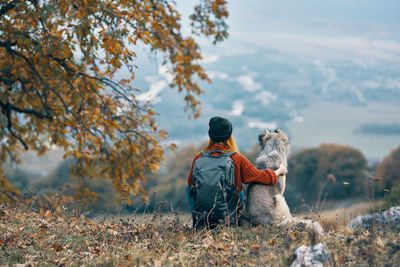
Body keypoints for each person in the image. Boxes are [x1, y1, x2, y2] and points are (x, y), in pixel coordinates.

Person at [187, 116, 287, 229]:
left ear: (210, 135)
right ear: (229, 136)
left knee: (189, 188)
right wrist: (279, 171)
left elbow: (190, 182)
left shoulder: (198, 158)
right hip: (227, 218)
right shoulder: (237, 159)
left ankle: (197, 223)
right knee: (240, 189)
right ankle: (233, 221)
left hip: (203, 217)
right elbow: (261, 177)